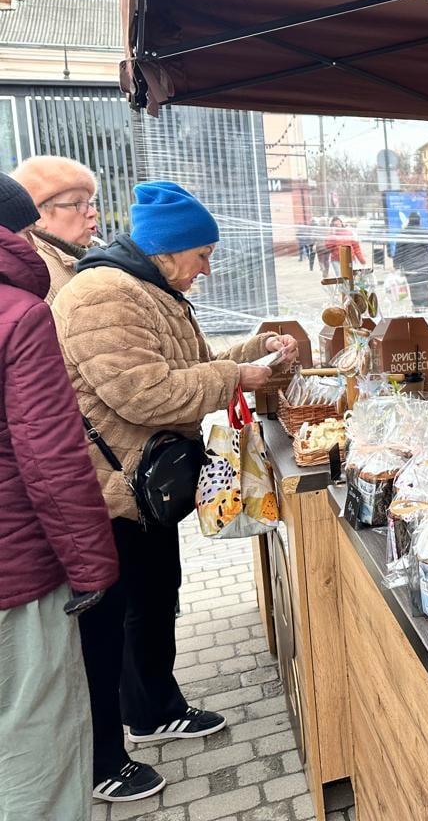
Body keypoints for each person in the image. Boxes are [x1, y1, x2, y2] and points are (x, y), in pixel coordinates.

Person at [52, 180, 298, 802]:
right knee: (115, 621)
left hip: (142, 486)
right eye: (202, 254)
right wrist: (236, 376)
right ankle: (105, 758)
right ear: (168, 248)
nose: (207, 268)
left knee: (156, 600)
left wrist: (254, 353)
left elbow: (189, 364)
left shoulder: (148, 288)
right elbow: (144, 391)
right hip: (110, 491)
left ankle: (155, 709)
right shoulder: (103, 295)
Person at [0, 173, 119, 821]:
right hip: (16, 579)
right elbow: (49, 458)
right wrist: (94, 567)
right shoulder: (20, 313)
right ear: (26, 226)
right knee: (35, 751)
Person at [12, 155, 101, 302]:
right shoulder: (36, 273)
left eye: (90, 202)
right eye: (78, 203)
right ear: (38, 217)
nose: (92, 212)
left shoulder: (95, 249)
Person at [394, 211, 428, 310]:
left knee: (414, 288)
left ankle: (417, 307)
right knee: (425, 286)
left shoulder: (403, 233)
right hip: (426, 265)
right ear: (418, 221)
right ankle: (424, 306)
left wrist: (396, 265)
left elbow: (399, 251)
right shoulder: (424, 232)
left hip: (411, 267)